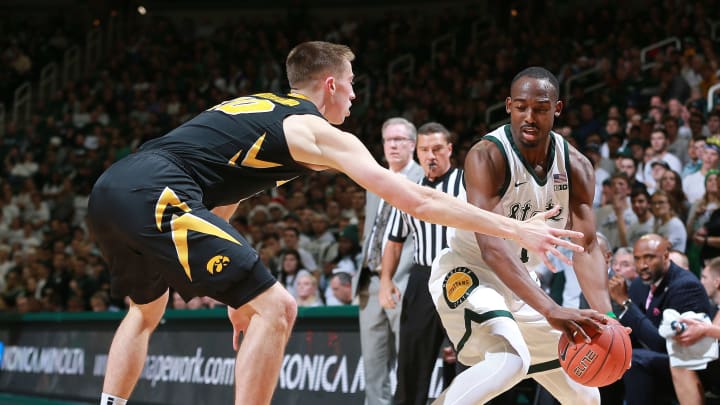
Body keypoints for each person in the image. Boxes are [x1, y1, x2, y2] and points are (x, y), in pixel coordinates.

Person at [87, 43, 584, 405]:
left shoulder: (260, 111)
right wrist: (517, 229)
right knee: (280, 309)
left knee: (145, 313)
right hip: (156, 195)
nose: (354, 95)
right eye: (350, 84)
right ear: (330, 84)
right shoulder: (314, 130)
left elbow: (224, 190)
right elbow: (419, 200)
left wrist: (234, 292)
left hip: (114, 190)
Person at [428, 67, 613, 405]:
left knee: (586, 393)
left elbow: (585, 247)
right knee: (510, 361)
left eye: (541, 108)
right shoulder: (488, 156)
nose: (530, 117)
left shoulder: (577, 166)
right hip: (469, 273)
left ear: (557, 109)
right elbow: (492, 248)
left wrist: (609, 320)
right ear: (508, 105)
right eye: (521, 107)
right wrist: (551, 309)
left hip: (520, 283)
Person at [380, 122, 465, 405]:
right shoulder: (407, 190)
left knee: (466, 361)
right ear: (416, 153)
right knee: (412, 362)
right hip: (423, 279)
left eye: (437, 149)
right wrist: (385, 281)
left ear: (449, 150)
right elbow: (394, 241)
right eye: (424, 150)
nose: (431, 155)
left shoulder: (466, 183)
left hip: (463, 277)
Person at [352, 117, 424, 405]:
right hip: (369, 284)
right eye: (388, 140)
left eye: (399, 140)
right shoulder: (375, 180)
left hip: (403, 282)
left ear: (413, 144)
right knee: (373, 368)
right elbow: (372, 230)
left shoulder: (424, 180)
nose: (393, 145)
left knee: (408, 364)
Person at [608, 234, 713, 405]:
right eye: (638, 259)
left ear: (665, 256)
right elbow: (632, 331)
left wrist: (626, 303)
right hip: (657, 359)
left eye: (649, 258)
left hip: (687, 365)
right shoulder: (638, 285)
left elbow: (663, 344)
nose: (642, 265)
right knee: (608, 354)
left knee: (635, 359)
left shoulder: (685, 286)